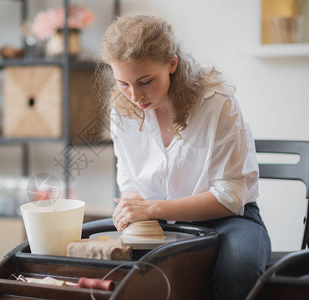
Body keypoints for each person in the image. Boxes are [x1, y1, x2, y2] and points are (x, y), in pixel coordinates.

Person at [100, 13, 271, 300]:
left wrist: (152, 209)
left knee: (238, 269)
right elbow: (129, 180)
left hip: (229, 220)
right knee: (110, 266)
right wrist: (132, 209)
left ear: (171, 63)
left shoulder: (216, 103)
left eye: (145, 81)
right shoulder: (122, 109)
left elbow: (229, 198)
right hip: (155, 223)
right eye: (123, 83)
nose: (135, 96)